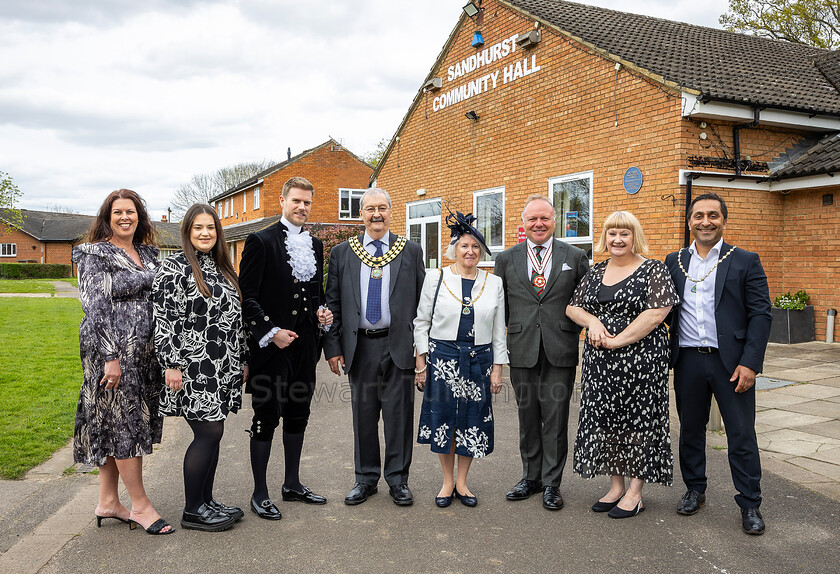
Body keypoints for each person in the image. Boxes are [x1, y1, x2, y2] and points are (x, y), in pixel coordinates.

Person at [664, 192, 772, 535]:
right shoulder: (674, 261)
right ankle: (695, 489)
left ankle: (750, 502)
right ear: (689, 221)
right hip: (688, 360)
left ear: (723, 220)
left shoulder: (745, 260)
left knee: (741, 434)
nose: (705, 221)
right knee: (691, 431)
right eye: (699, 216)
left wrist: (751, 363)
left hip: (732, 363)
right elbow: (661, 310)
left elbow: (761, 314)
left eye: (713, 215)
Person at [71, 189, 172, 535]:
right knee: (124, 421)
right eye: (118, 212)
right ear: (107, 217)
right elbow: (94, 305)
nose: (125, 217)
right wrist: (110, 357)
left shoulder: (149, 252)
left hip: (145, 354)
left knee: (118, 421)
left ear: (140, 217)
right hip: (112, 351)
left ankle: (109, 502)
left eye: (131, 211)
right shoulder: (93, 253)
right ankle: (141, 507)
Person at [566, 211, 678, 518]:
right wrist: (593, 321)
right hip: (600, 363)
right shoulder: (596, 271)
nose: (618, 239)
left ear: (634, 237)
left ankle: (635, 492)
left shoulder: (653, 269)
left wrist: (617, 340)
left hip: (641, 361)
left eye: (624, 234)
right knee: (609, 421)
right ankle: (616, 486)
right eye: (612, 233)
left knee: (637, 422)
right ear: (605, 237)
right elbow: (573, 307)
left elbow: (656, 313)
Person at [324, 188, 425, 506]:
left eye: (382, 208)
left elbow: (422, 304)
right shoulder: (343, 253)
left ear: (391, 211)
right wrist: (333, 347)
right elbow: (332, 304)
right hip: (360, 347)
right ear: (361, 214)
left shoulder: (409, 251)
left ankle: (398, 480)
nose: (376, 214)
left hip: (399, 346)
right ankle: (365, 479)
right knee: (364, 416)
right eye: (370, 209)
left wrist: (423, 352)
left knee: (399, 416)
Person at [238, 176, 332, 520]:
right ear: (282, 200)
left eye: (307, 202)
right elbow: (247, 298)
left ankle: (292, 483)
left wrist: (322, 314)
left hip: (305, 349)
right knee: (266, 417)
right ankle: (259, 492)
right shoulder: (259, 241)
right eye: (296, 201)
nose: (302, 207)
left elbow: (314, 295)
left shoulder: (316, 245)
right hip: (271, 348)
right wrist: (271, 331)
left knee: (298, 415)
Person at [152, 204, 248, 532]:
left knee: (214, 433)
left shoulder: (222, 267)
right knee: (208, 432)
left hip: (222, 365)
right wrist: (171, 364)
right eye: (198, 228)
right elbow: (163, 318)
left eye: (210, 227)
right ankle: (193, 509)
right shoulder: (175, 268)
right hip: (193, 366)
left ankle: (207, 502)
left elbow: (235, 320)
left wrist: (242, 358)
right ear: (187, 232)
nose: (205, 233)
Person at [494, 195, 589, 511]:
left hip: (560, 349)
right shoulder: (507, 259)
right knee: (528, 417)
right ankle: (530, 477)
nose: (538, 224)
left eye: (544, 218)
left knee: (556, 417)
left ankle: (552, 483)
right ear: (523, 223)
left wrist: (571, 333)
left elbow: (583, 303)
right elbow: (501, 308)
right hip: (522, 350)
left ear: (554, 221)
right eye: (532, 219)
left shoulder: (575, 257)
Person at [414, 212, 507, 508]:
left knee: (472, 421)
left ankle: (463, 483)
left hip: (479, 360)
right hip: (442, 360)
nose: (470, 252)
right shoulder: (436, 278)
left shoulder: (494, 283)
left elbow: (498, 330)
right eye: (465, 246)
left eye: (476, 247)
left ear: (482, 252)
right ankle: (447, 482)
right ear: (454, 248)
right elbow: (421, 323)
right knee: (445, 420)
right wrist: (420, 364)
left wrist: (497, 369)